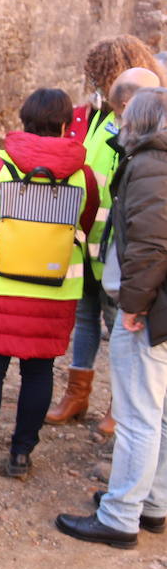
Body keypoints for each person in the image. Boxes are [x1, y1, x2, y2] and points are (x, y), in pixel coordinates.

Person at [0, 88, 99, 482]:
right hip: (54, 286)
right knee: (39, 371)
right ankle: (20, 456)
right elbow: (84, 223)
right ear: (67, 125)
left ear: (24, 120)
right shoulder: (83, 175)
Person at [57, 87, 167, 548]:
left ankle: (120, 515)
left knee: (139, 414)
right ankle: (152, 502)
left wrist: (135, 306)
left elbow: (149, 243)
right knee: (158, 415)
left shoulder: (149, 166)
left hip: (149, 309)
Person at [47, 36, 167, 433]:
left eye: (98, 79)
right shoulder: (98, 117)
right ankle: (77, 394)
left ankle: (118, 405)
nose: (94, 88)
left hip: (117, 245)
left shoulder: (141, 122)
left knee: (117, 325)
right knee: (84, 317)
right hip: (85, 236)